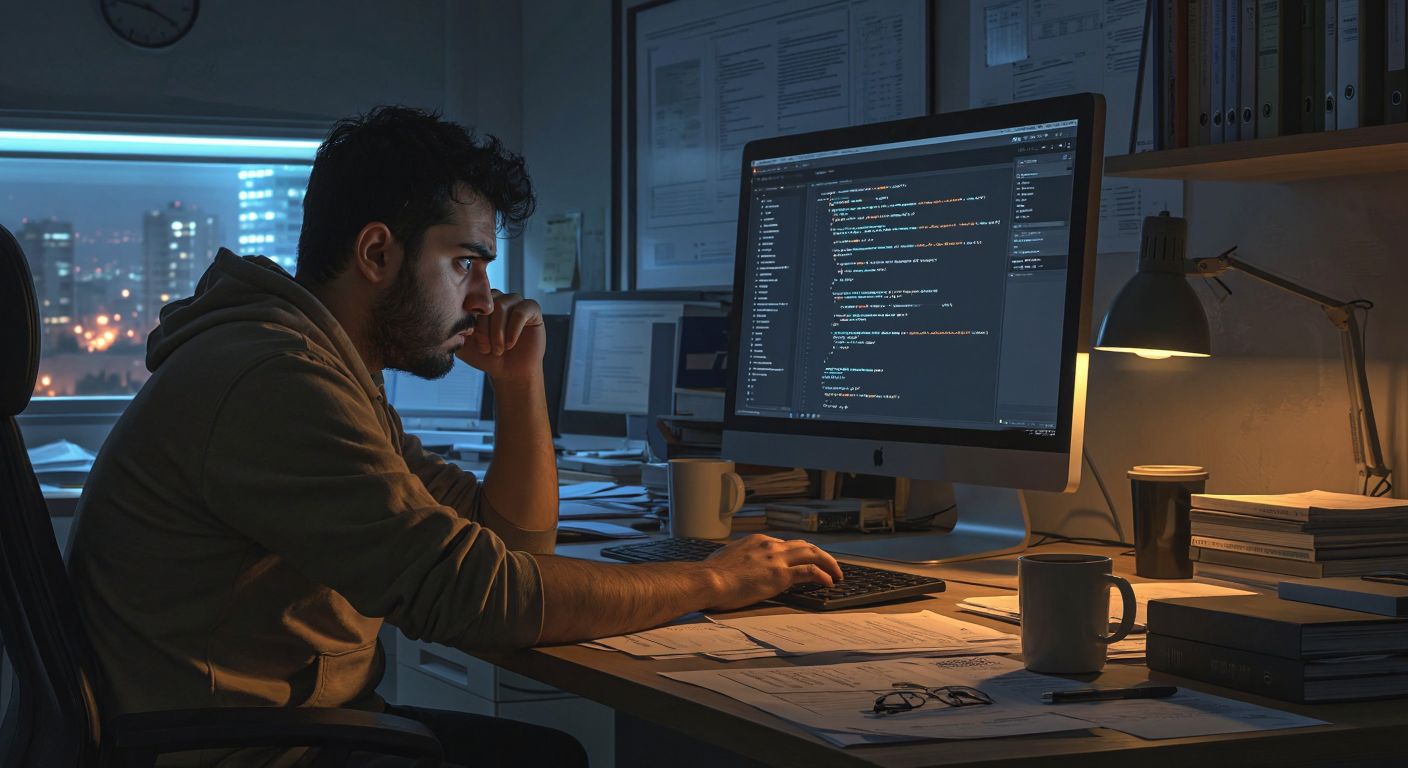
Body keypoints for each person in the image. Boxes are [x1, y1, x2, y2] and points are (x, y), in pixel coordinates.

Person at [67, 106, 842, 768]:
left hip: (276, 734)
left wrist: (517, 383)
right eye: (465, 263)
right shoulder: (275, 380)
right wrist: (714, 581)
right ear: (377, 253)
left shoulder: (322, 368)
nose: (485, 298)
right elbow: (482, 596)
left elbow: (513, 545)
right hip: (243, 752)